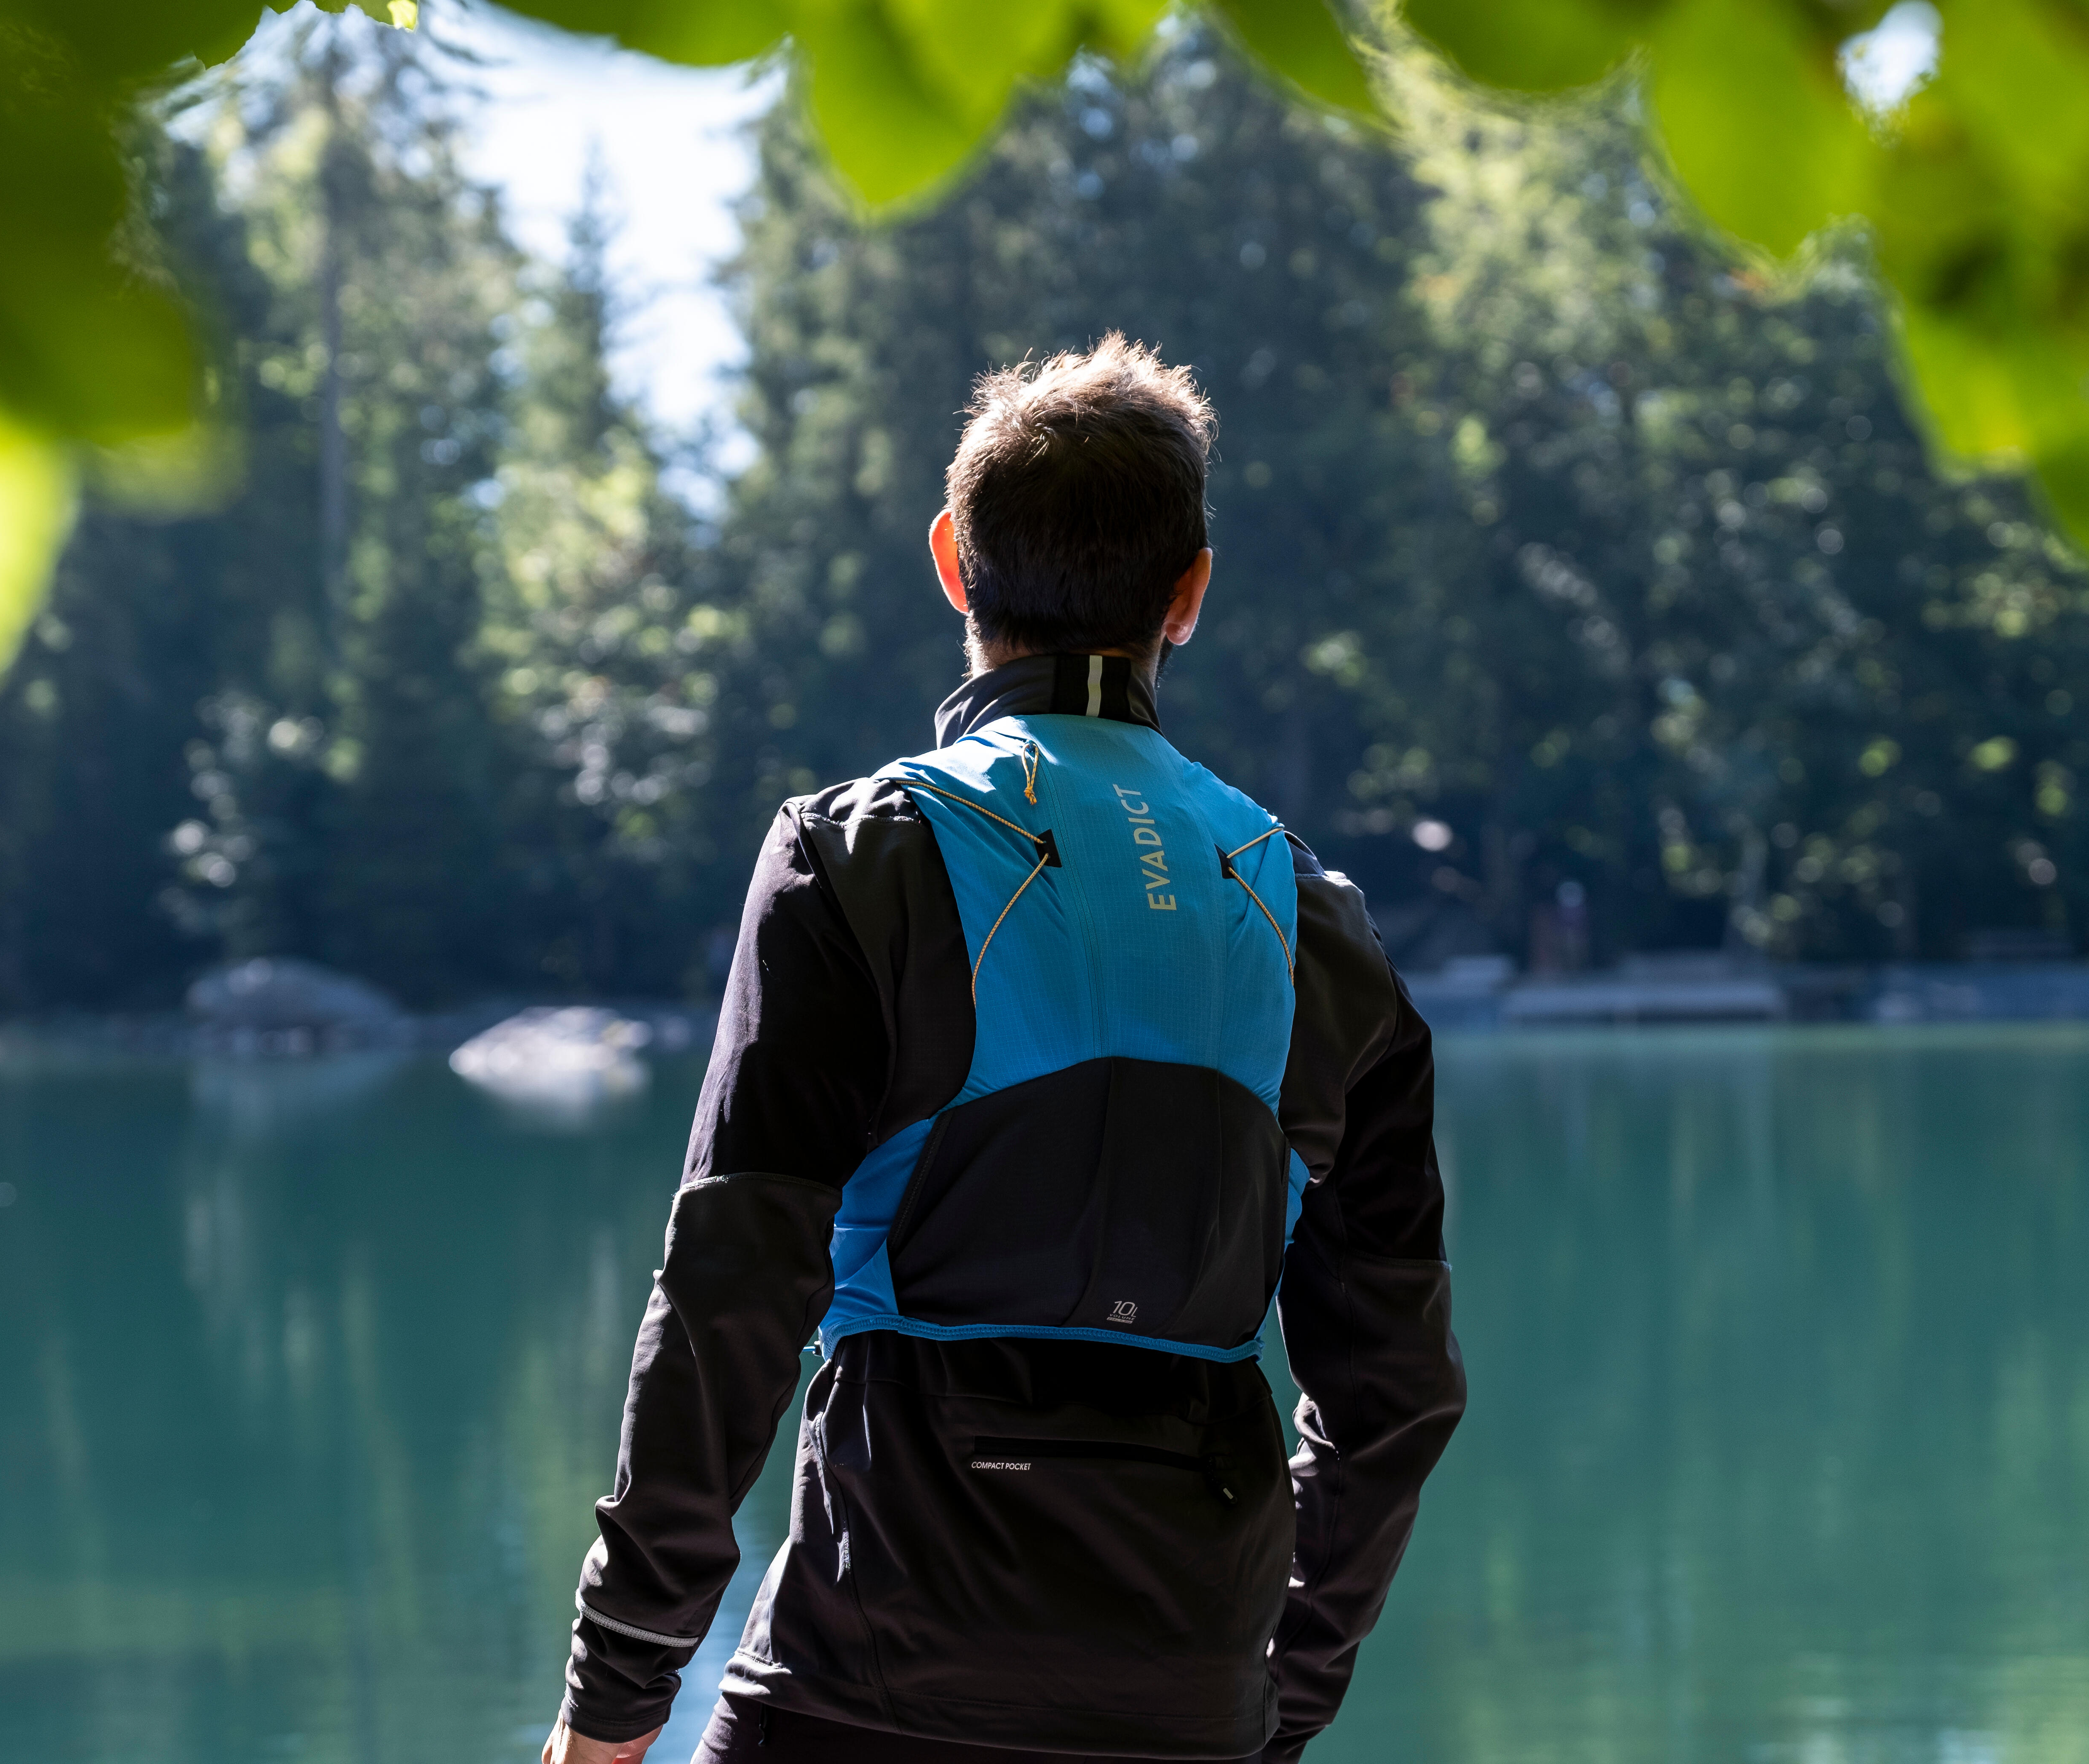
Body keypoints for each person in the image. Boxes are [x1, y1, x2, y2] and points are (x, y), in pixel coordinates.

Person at [539, 335, 1465, 1764]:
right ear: (1190, 597)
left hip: (870, 1675)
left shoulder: (856, 858)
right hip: (1189, 1693)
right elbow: (1395, 1391)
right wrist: (1281, 1699)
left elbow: (731, 1301)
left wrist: (614, 1703)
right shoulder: (1318, 923)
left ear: (952, 566)